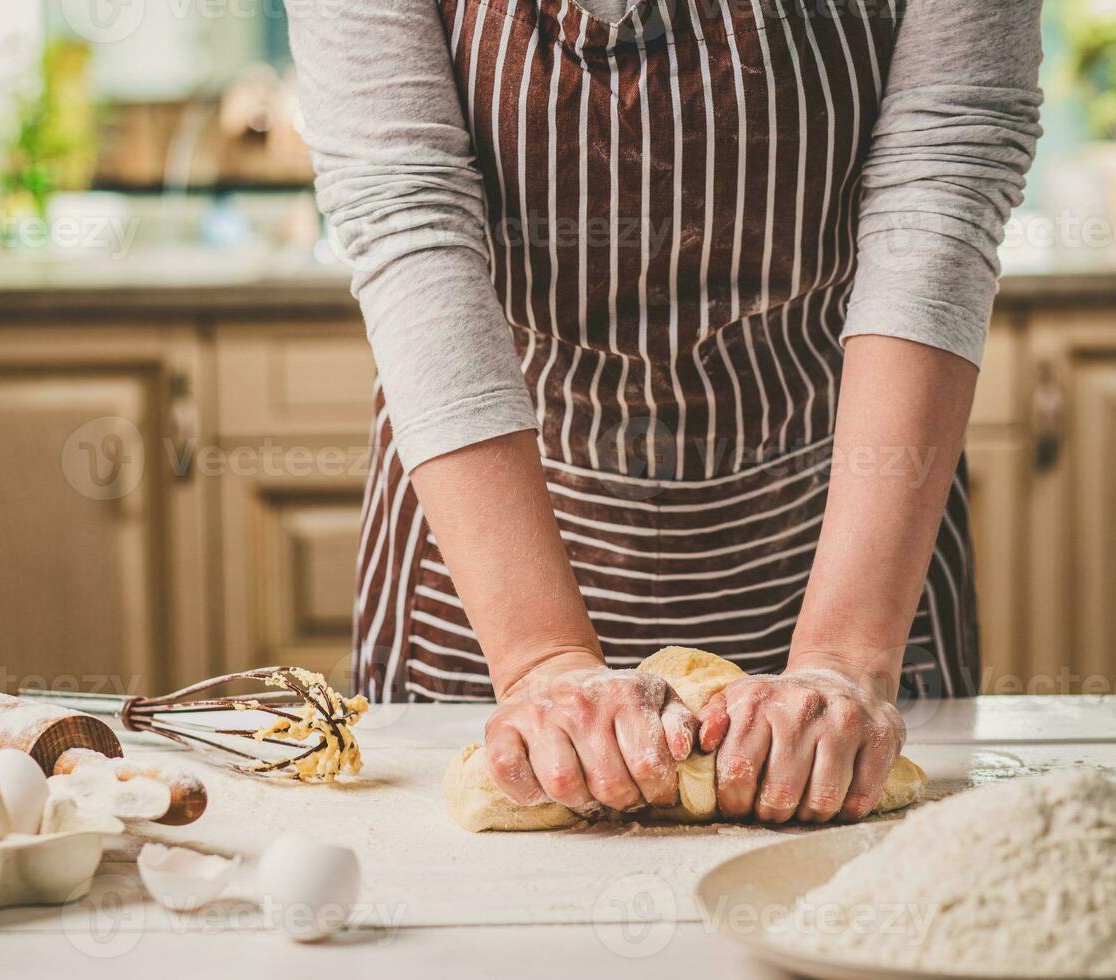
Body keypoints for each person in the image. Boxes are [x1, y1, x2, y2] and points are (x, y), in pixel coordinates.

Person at [288, 0, 1042, 822]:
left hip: (843, 518)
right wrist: (541, 664)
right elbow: (407, 211)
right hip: (492, 546)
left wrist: (843, 660)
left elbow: (944, 185)